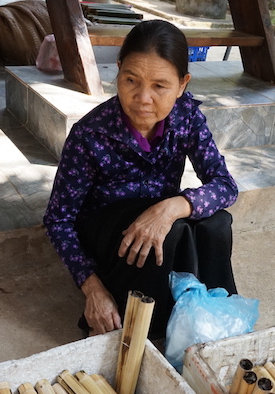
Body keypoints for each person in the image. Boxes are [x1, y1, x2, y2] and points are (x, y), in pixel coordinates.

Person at [43, 19, 239, 340]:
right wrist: (92, 288)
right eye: (131, 80)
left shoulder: (185, 116)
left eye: (160, 86)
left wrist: (174, 206)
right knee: (171, 234)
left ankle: (213, 321)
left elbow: (225, 186)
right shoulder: (90, 135)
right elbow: (58, 220)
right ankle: (142, 325)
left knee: (215, 224)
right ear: (118, 70)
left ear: (182, 84)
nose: (143, 98)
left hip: (159, 226)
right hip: (110, 236)